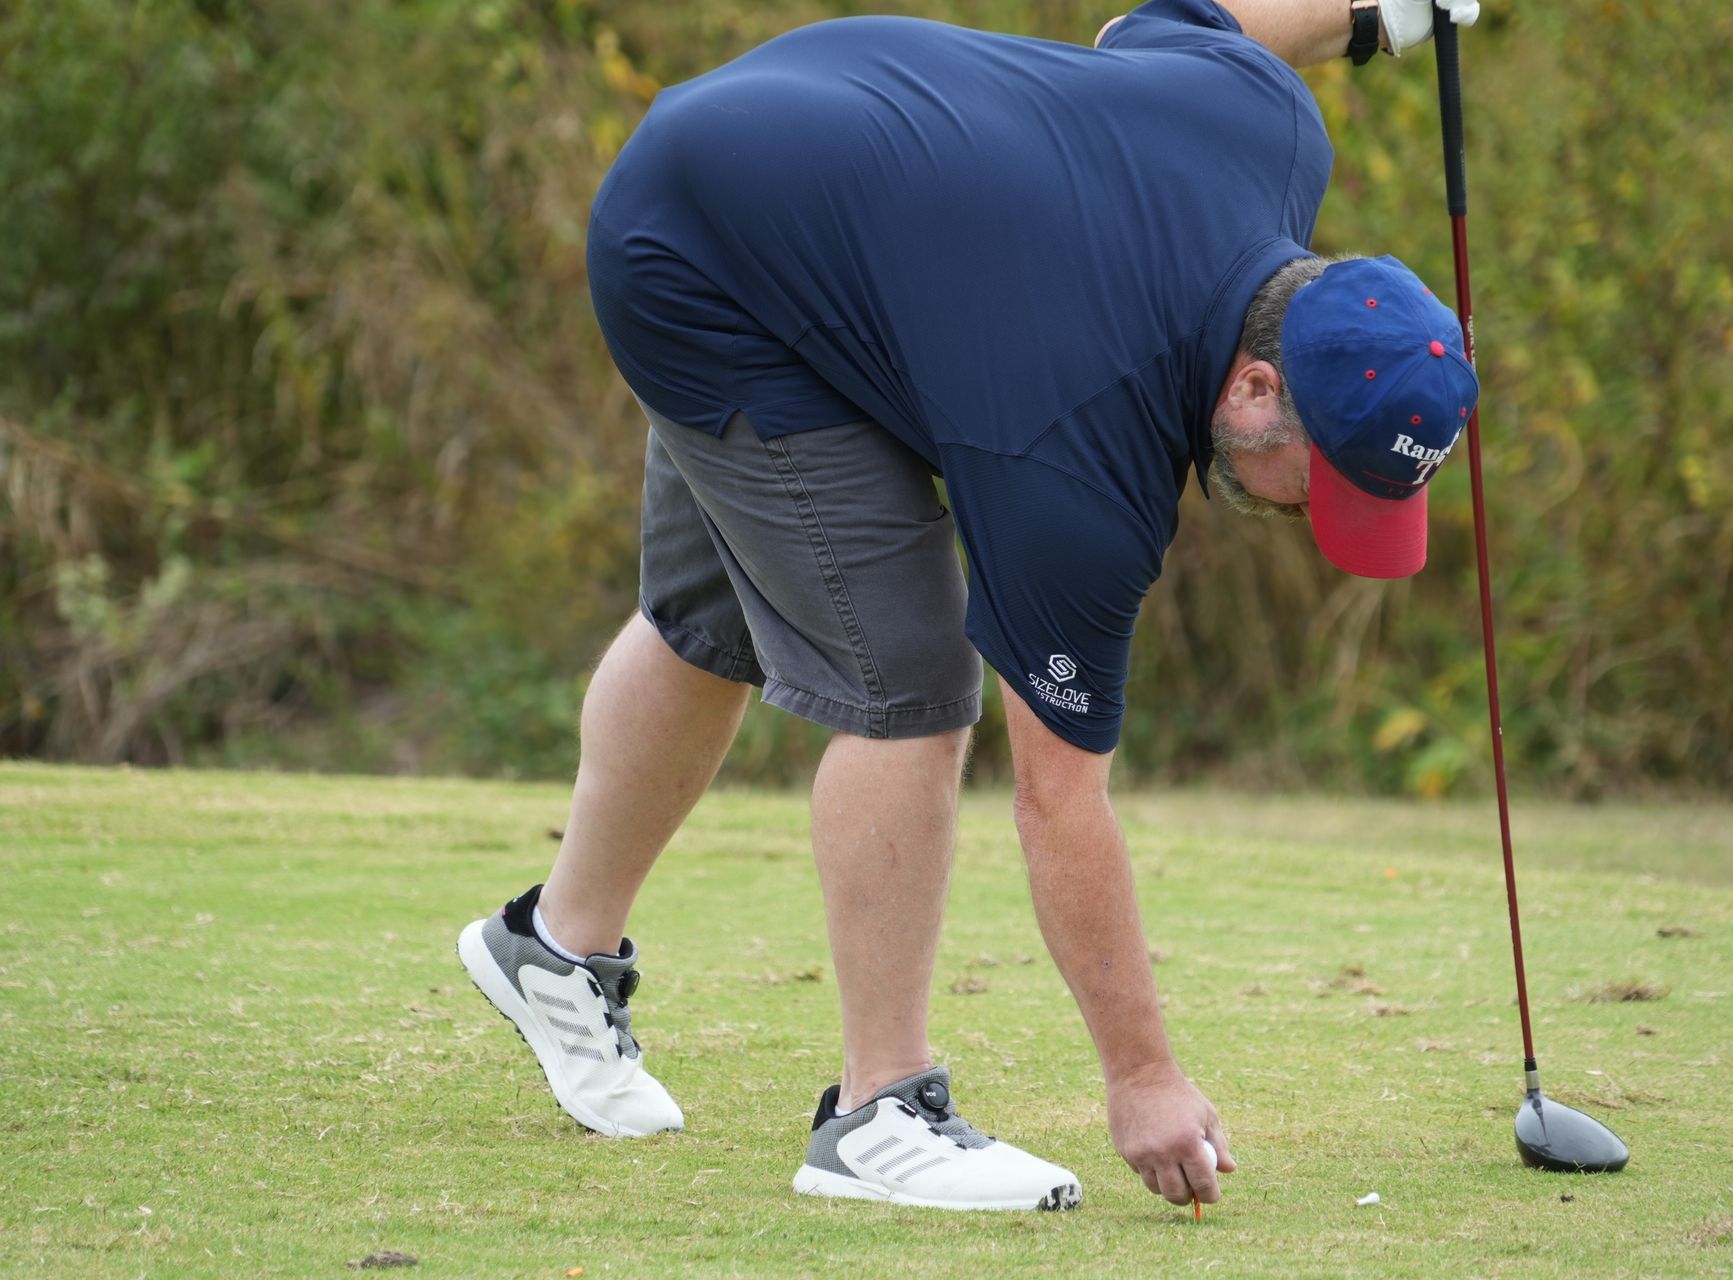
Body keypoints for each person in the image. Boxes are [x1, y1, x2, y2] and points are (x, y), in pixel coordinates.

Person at [458, 0, 1482, 1213]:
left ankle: (551, 947)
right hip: (708, 261)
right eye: (1320, 486)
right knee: (911, 683)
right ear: (1257, 385)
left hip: (773, 149)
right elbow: (1059, 800)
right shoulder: (1075, 466)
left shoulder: (1271, 125)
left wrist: (1373, 14)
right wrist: (1142, 1075)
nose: (1316, 522)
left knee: (722, 619)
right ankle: (875, 1113)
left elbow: (1186, 16)